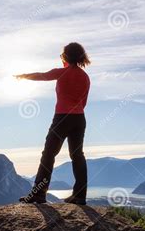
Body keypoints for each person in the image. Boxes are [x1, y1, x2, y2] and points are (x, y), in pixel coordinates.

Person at [15, 42, 91, 205]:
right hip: (79, 118)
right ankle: (80, 195)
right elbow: (83, 103)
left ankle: (38, 194)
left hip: (62, 117)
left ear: (66, 56)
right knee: (77, 155)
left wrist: (23, 76)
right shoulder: (85, 77)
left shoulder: (62, 72)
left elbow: (41, 76)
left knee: (48, 154)